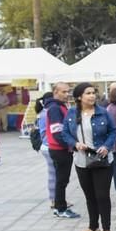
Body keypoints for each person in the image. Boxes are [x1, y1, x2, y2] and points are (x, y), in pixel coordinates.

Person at [62, 83, 116, 231]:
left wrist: (107, 146)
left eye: (93, 93)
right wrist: (75, 143)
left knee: (102, 195)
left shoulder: (103, 113)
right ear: (79, 97)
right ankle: (93, 227)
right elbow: (65, 132)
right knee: (90, 196)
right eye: (88, 93)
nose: (92, 96)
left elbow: (113, 131)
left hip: (102, 160)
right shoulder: (72, 113)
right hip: (82, 161)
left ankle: (106, 229)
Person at [46, 82, 80, 219]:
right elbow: (57, 132)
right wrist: (71, 145)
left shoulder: (60, 107)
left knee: (61, 179)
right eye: (64, 92)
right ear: (55, 92)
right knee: (62, 180)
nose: (67, 95)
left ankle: (59, 205)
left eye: (68, 92)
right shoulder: (55, 108)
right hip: (60, 149)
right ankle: (61, 208)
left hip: (60, 148)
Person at [35, 92, 57, 208]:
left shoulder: (41, 113)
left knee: (53, 174)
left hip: (45, 145)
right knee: (54, 175)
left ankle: (55, 199)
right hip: (50, 146)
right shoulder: (48, 113)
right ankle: (54, 200)